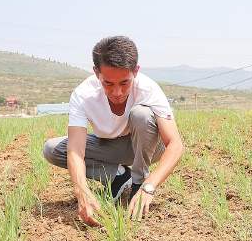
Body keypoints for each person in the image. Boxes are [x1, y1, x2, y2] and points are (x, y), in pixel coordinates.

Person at [42, 36, 184, 226]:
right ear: (96, 73)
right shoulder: (83, 94)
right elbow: (76, 150)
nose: (117, 92)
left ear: (136, 71)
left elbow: (175, 145)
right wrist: (82, 191)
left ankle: (138, 182)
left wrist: (149, 186)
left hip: (146, 146)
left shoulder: (148, 88)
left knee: (141, 115)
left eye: (125, 83)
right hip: (109, 146)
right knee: (52, 149)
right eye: (108, 83)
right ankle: (118, 176)